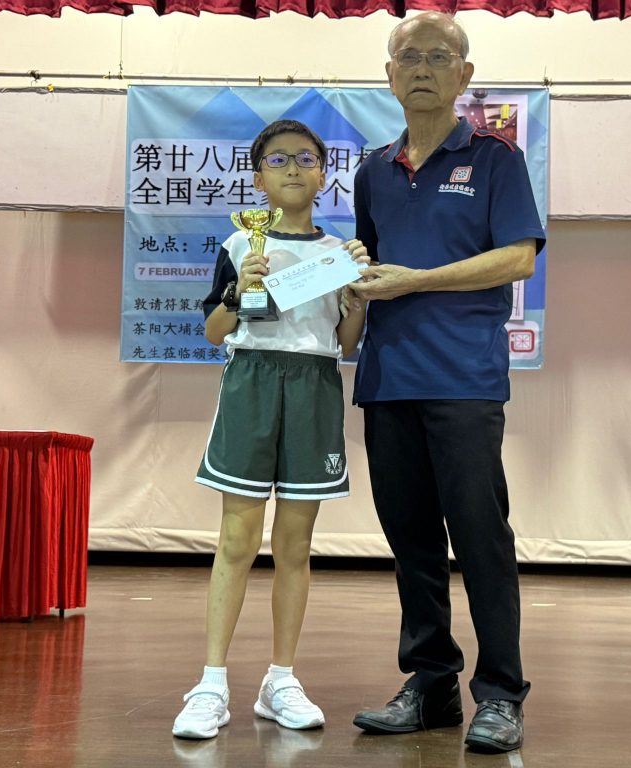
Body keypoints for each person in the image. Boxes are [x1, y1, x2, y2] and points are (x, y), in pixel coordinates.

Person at [347, 12, 546, 754]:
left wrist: (416, 281)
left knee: (481, 537)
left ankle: (500, 694)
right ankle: (430, 685)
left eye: (439, 57)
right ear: (389, 75)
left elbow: (518, 258)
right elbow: (369, 265)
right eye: (410, 57)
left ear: (464, 76)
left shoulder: (493, 160)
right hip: (387, 379)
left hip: (463, 379)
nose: (423, 68)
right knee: (412, 543)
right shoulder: (373, 170)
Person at [172, 119, 369, 741]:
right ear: (258, 178)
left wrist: (359, 298)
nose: (292, 168)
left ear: (323, 174)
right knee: (236, 538)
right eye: (277, 159)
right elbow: (214, 332)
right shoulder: (239, 245)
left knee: (294, 544)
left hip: (314, 387)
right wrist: (241, 290)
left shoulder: (340, 254)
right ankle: (211, 682)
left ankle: (280, 679)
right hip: (252, 383)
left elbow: (346, 343)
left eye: (305, 158)